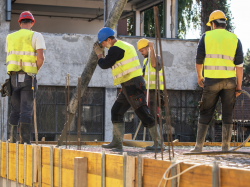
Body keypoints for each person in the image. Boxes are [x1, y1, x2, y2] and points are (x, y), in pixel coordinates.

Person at [93, 27, 163, 150]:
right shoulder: (124, 46)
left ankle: (159, 144)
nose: (103, 45)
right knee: (116, 111)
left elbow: (104, 64)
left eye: (103, 43)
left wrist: (99, 55)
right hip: (128, 85)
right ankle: (117, 142)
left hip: (132, 85)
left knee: (143, 113)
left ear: (109, 40)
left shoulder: (116, 48)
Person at [191, 10, 243, 152]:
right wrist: (238, 86)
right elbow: (239, 66)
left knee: (205, 112)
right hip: (230, 82)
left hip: (212, 81)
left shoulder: (206, 36)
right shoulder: (235, 39)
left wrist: (199, 76)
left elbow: (199, 59)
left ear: (213, 24)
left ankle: (198, 147)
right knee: (227, 113)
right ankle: (225, 147)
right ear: (224, 23)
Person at [6, 11, 46, 144]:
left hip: (13, 78)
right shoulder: (36, 35)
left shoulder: (10, 37)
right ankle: (24, 141)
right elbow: (40, 58)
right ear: (32, 23)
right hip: (28, 77)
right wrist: (35, 70)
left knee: (15, 109)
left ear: (19, 23)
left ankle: (12, 139)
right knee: (26, 109)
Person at [137, 38, 165, 149]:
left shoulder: (156, 57)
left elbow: (155, 65)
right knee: (150, 116)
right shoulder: (145, 60)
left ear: (148, 48)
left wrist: (152, 48)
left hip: (155, 91)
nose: (141, 53)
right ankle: (157, 142)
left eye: (142, 50)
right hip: (148, 92)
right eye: (140, 51)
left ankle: (159, 144)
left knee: (154, 116)